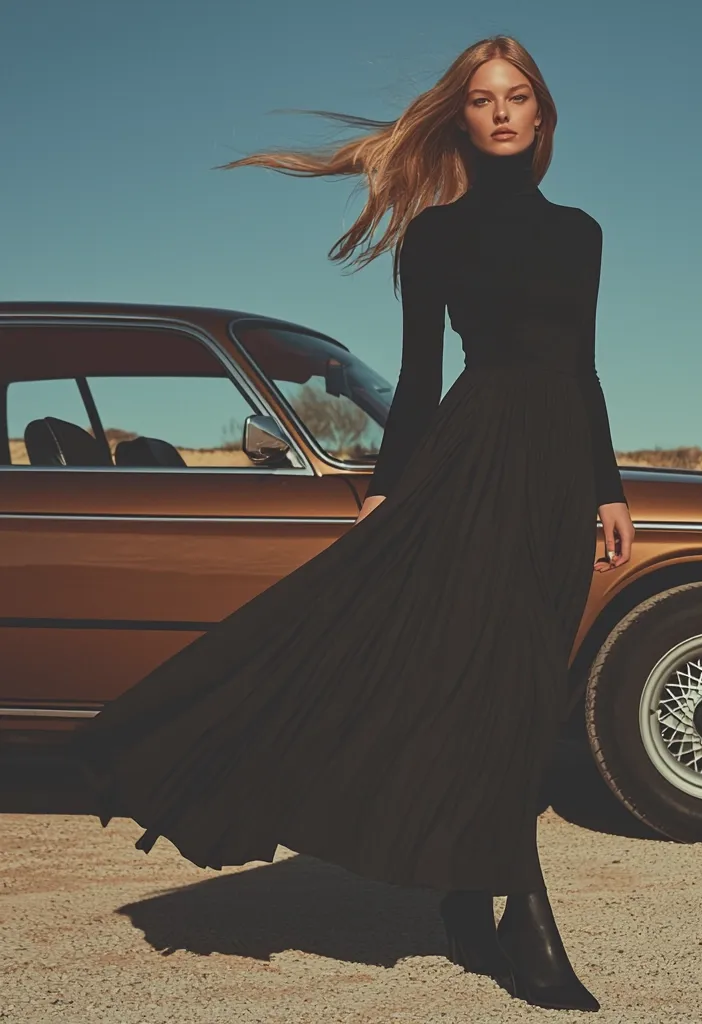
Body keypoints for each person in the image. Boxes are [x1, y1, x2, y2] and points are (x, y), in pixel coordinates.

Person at [72, 34, 635, 1013]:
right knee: (489, 684)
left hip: (554, 481)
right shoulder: (434, 237)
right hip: (471, 462)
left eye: (516, 96)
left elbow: (580, 368)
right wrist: (386, 492)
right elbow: (420, 380)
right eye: (480, 97)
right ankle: (525, 924)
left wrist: (610, 487)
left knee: (527, 686)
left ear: (541, 115)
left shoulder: (580, 233)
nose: (500, 110)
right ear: (459, 117)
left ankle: (462, 894)